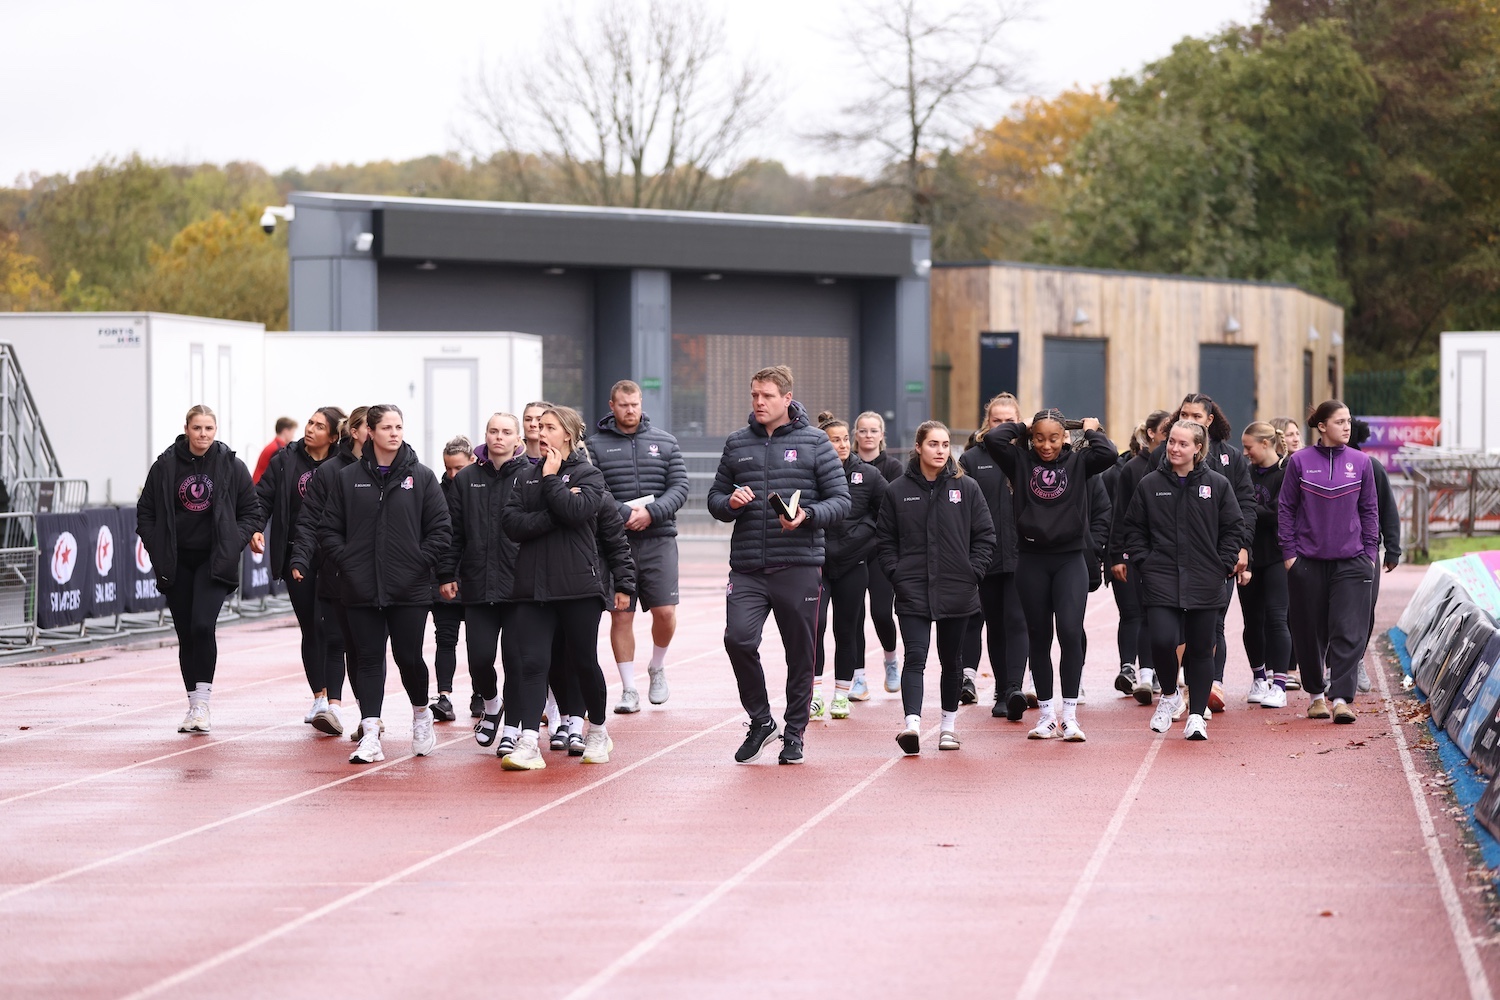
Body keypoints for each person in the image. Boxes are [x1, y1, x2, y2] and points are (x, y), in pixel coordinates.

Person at [708, 365, 851, 765]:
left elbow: (841, 501)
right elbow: (715, 498)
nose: (758, 402)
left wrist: (806, 515)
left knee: (800, 654)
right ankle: (761, 721)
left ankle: (794, 733)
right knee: (738, 640)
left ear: (787, 398)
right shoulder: (737, 442)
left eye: (767, 395)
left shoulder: (815, 442)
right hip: (748, 567)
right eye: (754, 394)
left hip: (798, 565)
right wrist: (729, 503)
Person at [320, 404, 453, 763]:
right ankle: (370, 733)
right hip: (360, 588)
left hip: (409, 588)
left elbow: (441, 530)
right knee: (367, 659)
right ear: (370, 433)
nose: (394, 433)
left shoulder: (421, 477)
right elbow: (329, 529)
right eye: (387, 427)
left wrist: (417, 563)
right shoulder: (348, 478)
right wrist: (349, 563)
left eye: (399, 427)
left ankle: (421, 715)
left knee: (408, 658)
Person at [498, 405, 621, 769]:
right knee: (532, 663)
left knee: (583, 661)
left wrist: (552, 480)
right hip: (533, 587)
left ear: (567, 434)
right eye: (538, 426)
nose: (540, 432)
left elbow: (576, 512)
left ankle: (597, 731)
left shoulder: (589, 474)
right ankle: (528, 741)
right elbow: (512, 524)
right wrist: (553, 512)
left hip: (578, 586)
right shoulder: (525, 477)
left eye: (549, 427)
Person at [983, 408, 1116, 741]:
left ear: (1064, 438)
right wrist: (1023, 425)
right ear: (1031, 437)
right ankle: (1045, 716)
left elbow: (1109, 454)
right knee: (1039, 637)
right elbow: (993, 438)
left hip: (1070, 560)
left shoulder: (1080, 462)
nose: (1046, 445)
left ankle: (1069, 716)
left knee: (1070, 632)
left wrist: (1091, 430)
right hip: (1032, 561)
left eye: (1053, 439)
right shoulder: (1018, 461)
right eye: (1039, 438)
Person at [137, 405, 260, 734]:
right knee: (186, 632)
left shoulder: (231, 465)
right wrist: (156, 544)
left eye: (208, 428)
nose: (203, 434)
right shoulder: (165, 465)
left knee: (203, 625)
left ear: (215, 430)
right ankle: (193, 705)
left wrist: (233, 542)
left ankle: (203, 704)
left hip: (214, 559)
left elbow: (251, 510)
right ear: (186, 429)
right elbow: (146, 511)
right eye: (197, 428)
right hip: (176, 561)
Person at [1120, 419, 1244, 740]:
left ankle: (1197, 716)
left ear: (1198, 448)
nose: (1174, 448)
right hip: (1161, 576)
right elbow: (1133, 528)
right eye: (1171, 442)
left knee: (1201, 649)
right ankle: (1170, 695)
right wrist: (1145, 562)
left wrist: (1222, 564)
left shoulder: (1217, 485)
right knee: (1162, 640)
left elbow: (1234, 528)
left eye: (1183, 443)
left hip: (1206, 578)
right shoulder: (1150, 484)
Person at [878, 421, 995, 754]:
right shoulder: (897, 490)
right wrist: (897, 573)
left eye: (945, 444)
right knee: (915, 656)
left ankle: (948, 728)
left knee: (952, 661)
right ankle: (912, 726)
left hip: (958, 588)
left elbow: (985, 535)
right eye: (933, 444)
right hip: (912, 587)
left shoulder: (967, 487)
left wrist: (973, 572)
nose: (940, 450)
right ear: (918, 447)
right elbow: (885, 540)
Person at [586, 379, 690, 713]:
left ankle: (657, 666)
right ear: (612, 406)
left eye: (635, 404)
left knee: (665, 612)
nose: (630, 410)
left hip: (659, 538)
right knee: (621, 614)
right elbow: (595, 489)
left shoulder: (666, 442)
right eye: (623, 405)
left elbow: (680, 487)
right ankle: (629, 689)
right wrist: (624, 513)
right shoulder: (595, 446)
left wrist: (652, 513)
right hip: (616, 542)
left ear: (641, 403)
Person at [1278, 400, 1379, 724]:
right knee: (1308, 632)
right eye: (1339, 421)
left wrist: (1370, 554)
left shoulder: (1362, 462)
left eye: (1348, 420)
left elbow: (1369, 510)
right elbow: (1286, 508)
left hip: (1352, 562)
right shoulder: (1299, 461)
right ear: (1322, 426)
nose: (1347, 427)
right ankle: (1316, 697)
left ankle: (1341, 699)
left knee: (1349, 630)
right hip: (1307, 562)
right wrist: (1290, 555)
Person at [251, 406, 346, 733]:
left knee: (332, 627)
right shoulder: (285, 460)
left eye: (319, 426)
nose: (310, 429)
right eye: (310, 423)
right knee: (311, 625)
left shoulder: (343, 464)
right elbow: (262, 498)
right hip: (296, 555)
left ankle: (335, 699)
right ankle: (319, 697)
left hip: (333, 555)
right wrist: (256, 527)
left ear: (333, 436)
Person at [440, 413, 530, 753]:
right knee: (479, 658)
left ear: (517, 439)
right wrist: (447, 573)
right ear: (486, 435)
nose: (499, 437)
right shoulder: (467, 479)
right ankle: (492, 705)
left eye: (506, 432)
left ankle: (511, 730)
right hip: (477, 582)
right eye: (493, 431)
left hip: (520, 585)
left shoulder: (530, 475)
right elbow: (453, 532)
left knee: (516, 662)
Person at [1161, 394, 1255, 712]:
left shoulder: (1231, 459)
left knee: (1213, 624)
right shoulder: (1165, 457)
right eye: (1184, 414)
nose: (1189, 420)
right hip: (1173, 560)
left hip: (1216, 560)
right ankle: (1174, 691)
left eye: (1196, 416)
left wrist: (1242, 548)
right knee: (1174, 628)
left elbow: (1245, 507)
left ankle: (1211, 686)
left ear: (1210, 420)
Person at [290, 406, 368, 737]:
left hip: (377, 572)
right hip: (334, 568)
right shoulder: (331, 471)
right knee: (332, 637)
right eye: (371, 427)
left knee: (367, 648)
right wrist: (300, 558)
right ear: (354, 432)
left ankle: (369, 716)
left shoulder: (400, 470)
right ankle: (332, 707)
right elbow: (310, 520)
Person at [959, 393, 1030, 721]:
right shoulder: (972, 459)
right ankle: (1002, 689)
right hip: (984, 556)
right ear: (987, 422)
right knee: (995, 625)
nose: (1002, 426)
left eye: (1009, 420)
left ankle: (1014, 688)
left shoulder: (1028, 455)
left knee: (1017, 620)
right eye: (996, 420)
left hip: (1022, 553)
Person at [811, 411, 886, 722]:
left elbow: (886, 513)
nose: (842, 445)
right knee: (814, 628)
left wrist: (863, 536)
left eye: (844, 439)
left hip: (854, 564)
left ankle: (842, 695)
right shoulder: (812, 474)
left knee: (846, 630)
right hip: (818, 565)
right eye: (834, 440)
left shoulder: (868, 475)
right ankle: (814, 695)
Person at [1108, 411, 1171, 701]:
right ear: (1151, 433)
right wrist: (1116, 555)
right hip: (1130, 553)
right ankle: (1129, 668)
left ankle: (1152, 670)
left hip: (1162, 554)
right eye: (1165, 430)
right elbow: (1119, 514)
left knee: (1153, 614)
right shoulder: (1132, 469)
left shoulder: (1177, 468)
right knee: (1132, 612)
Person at [1239, 421, 1294, 709]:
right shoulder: (1245, 473)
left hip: (1276, 556)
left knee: (1277, 618)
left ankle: (1280, 684)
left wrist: (1249, 511)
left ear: (1265, 443)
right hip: (1248, 556)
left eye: (1248, 447)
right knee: (1252, 621)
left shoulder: (1286, 472)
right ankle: (1259, 677)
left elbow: (1280, 512)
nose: (1245, 452)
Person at [1350, 417, 1403, 690]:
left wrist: (1393, 549)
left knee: (1364, 609)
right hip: (1326, 552)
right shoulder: (1317, 465)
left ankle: (1356, 660)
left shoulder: (1370, 466)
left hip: (1365, 551)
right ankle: (1334, 665)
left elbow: (1387, 509)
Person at [854, 410, 904, 695]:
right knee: (853, 616)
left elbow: (893, 509)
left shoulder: (893, 468)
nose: (868, 435)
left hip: (880, 551)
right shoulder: (846, 465)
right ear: (856, 435)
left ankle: (891, 660)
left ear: (882, 435)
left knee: (882, 613)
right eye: (863, 430)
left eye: (874, 430)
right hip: (851, 551)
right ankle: (858, 677)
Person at [430, 435, 475, 722]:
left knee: (478, 643)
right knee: (445, 639)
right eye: (448, 468)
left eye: (459, 467)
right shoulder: (436, 492)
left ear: (472, 461)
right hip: (444, 576)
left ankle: (481, 694)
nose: (453, 474)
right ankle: (444, 697)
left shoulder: (480, 488)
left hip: (475, 577)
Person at [1269, 415, 1305, 690]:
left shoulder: (1304, 464)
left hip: (1302, 546)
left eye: (1297, 433)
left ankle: (1292, 668)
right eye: (1289, 434)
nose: (1295, 438)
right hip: (1274, 549)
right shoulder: (1274, 471)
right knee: (1277, 612)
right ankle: (1278, 668)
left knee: (1298, 610)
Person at [253, 416, 298, 483]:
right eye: (292, 432)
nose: (293, 436)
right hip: (262, 484)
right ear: (286, 431)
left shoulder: (274, 445)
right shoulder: (278, 449)